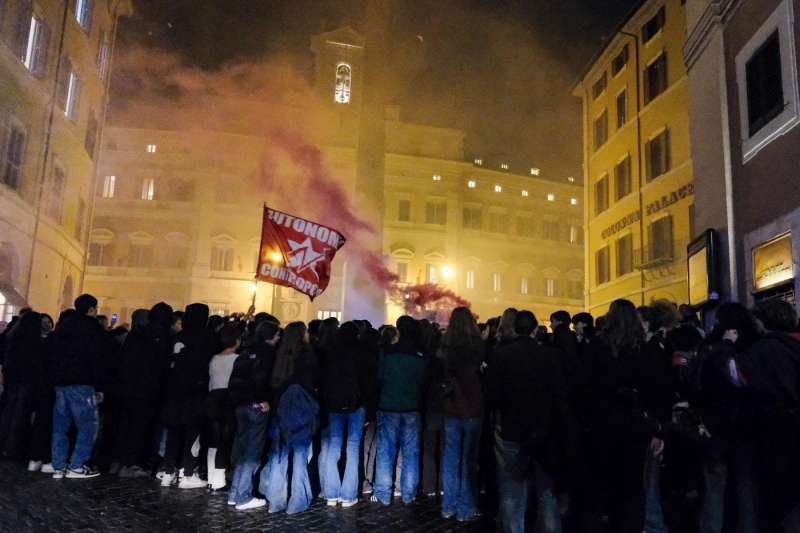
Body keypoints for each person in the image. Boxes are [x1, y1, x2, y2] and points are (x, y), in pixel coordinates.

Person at [487, 310, 566, 533]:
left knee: (512, 492)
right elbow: (558, 395)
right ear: (534, 330)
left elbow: (493, 394)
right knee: (546, 493)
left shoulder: (501, 354)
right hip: (543, 430)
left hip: (511, 429)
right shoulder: (550, 355)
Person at [49, 294, 116, 479]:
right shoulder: (94, 330)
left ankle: (58, 466)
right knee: (87, 426)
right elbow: (99, 360)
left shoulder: (63, 328)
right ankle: (77, 466)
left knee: (60, 428)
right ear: (92, 310)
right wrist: (100, 386)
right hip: (83, 383)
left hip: (61, 384)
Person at [261, 322, 319, 514]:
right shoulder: (308, 356)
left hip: (281, 408)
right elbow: (312, 382)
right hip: (301, 407)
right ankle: (297, 499)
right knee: (301, 455)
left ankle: (276, 499)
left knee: (280, 455)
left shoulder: (280, 355)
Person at [372, 316, 427, 506]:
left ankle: (383, 492)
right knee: (411, 452)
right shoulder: (420, 357)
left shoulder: (388, 354)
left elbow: (379, 380)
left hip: (388, 406)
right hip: (411, 408)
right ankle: (408, 493)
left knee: (385, 451)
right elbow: (423, 384)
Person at [161, 303, 215, 489]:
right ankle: (187, 472)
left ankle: (168, 471)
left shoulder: (176, 338)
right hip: (195, 393)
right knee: (192, 434)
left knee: (174, 432)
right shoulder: (205, 338)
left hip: (174, 392)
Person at [229, 318, 280, 510]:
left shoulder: (246, 349)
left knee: (242, 449)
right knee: (252, 452)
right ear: (270, 336)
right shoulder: (266, 353)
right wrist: (262, 399)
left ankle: (235, 492)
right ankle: (243, 495)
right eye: (277, 334)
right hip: (256, 406)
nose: (278, 338)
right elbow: (261, 378)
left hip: (240, 404)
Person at [439, 307, 484, 522]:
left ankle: (448, 506)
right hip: (473, 407)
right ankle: (466, 508)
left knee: (450, 458)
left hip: (451, 408)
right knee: (468, 460)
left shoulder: (445, 347)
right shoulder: (478, 347)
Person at [319, 321, 367, 508]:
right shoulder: (361, 352)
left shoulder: (330, 352)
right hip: (356, 404)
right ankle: (348, 495)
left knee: (333, 448)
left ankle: (331, 493)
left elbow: (324, 379)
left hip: (334, 405)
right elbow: (367, 380)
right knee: (353, 448)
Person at [113, 309, 162, 478]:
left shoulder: (130, 338)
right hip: (140, 393)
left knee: (124, 427)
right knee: (135, 429)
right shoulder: (146, 339)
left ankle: (118, 461)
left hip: (126, 391)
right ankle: (128, 464)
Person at [0, 312, 45, 460]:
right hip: (27, 383)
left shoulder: (13, 339)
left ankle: (5, 444)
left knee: (9, 413)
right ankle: (13, 448)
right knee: (20, 416)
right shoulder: (34, 343)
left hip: (13, 381)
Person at [205, 324, 240, 491]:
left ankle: (211, 476)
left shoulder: (214, 358)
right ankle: (219, 478)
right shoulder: (237, 359)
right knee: (225, 440)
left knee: (214, 438)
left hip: (213, 397)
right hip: (228, 398)